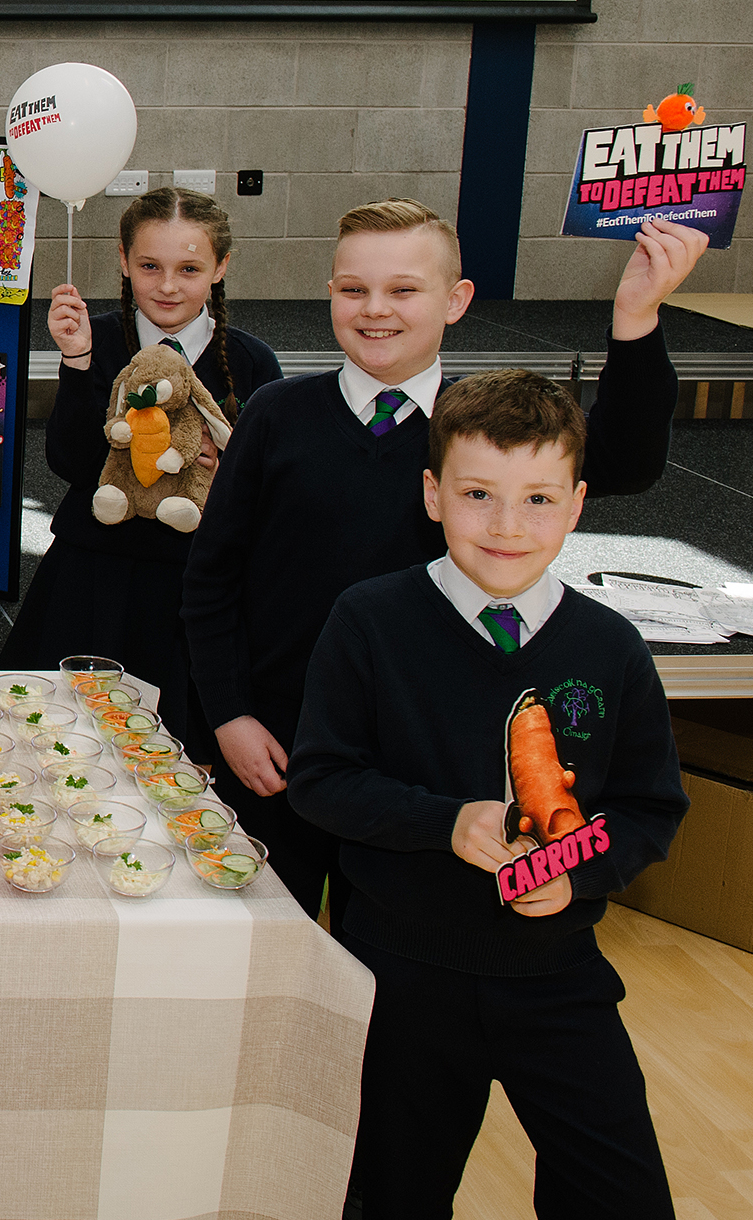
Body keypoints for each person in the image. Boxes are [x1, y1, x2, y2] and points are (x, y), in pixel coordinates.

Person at [183, 200, 704, 923]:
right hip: (279, 748)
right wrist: (230, 713)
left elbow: (627, 458)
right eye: (352, 289)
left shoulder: (482, 430)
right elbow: (211, 579)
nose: (374, 310)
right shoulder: (276, 416)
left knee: (403, 960)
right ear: (329, 292)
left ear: (455, 299)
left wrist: (637, 317)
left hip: (429, 769)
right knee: (263, 945)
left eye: (402, 289)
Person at [287, 370, 686, 1218]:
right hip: (401, 977)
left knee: (621, 1194)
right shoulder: (368, 619)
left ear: (576, 504)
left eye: (537, 498)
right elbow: (322, 780)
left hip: (556, 977)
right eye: (477, 494)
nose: (507, 526)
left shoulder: (611, 646)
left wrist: (578, 873)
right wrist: (446, 821)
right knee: (393, 1194)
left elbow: (651, 807)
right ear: (432, 494)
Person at [0, 187, 279, 745]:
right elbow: (69, 462)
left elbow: (269, 490)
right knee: (57, 739)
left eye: (189, 268)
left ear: (220, 267)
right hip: (93, 576)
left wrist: (226, 471)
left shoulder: (250, 361)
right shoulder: (93, 338)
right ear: (123, 261)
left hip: (194, 584)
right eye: (150, 266)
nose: (168, 285)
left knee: (179, 750)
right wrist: (75, 363)